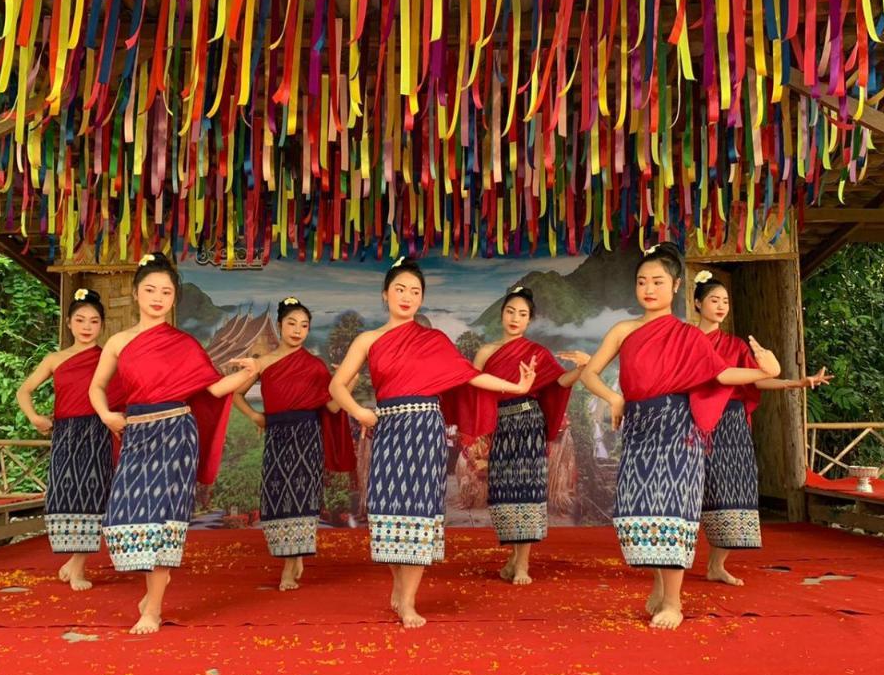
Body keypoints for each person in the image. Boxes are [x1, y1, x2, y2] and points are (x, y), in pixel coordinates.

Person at [579, 243, 781, 630]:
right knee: (642, 510)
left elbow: (720, 375)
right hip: (640, 426)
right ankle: (658, 586)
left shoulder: (689, 335)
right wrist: (613, 396)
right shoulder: (624, 329)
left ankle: (673, 601)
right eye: (642, 281)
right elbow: (591, 372)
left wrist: (764, 372)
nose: (648, 289)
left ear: (674, 287)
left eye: (657, 281)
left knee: (672, 508)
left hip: (678, 426)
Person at [328, 257, 537, 629]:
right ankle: (398, 585)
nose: (407, 297)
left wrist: (517, 387)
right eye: (400, 289)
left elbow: (470, 377)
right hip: (389, 430)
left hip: (425, 429)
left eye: (415, 291)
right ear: (385, 294)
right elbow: (336, 386)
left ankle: (408, 601)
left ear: (422, 299)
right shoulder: (368, 340)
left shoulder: (433, 340)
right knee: (388, 512)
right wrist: (360, 412)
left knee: (420, 513)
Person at [89, 253, 258, 635]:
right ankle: (151, 595)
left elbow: (213, 389)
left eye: (166, 291)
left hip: (177, 435)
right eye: (150, 289)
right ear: (136, 294)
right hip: (136, 433)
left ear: (173, 298)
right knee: (126, 515)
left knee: (165, 519)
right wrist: (105, 415)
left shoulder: (184, 344)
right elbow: (97, 387)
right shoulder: (118, 341)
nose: (157, 297)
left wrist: (250, 372)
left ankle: (154, 608)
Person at [692, 271, 832, 586]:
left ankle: (717, 565)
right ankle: (670, 567)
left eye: (725, 301)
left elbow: (760, 378)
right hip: (691, 420)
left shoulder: (735, 344)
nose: (721, 306)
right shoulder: (686, 341)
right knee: (686, 492)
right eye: (714, 300)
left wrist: (798, 382)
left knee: (730, 491)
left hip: (730, 423)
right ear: (698, 303)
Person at [233, 296, 357, 591]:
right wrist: (255, 416)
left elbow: (333, 407)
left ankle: (289, 568)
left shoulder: (314, 366)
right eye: (291, 323)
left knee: (301, 498)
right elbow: (236, 394)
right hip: (276, 436)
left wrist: (348, 379)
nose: (298, 330)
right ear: (279, 326)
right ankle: (293, 556)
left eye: (304, 325)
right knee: (276, 499)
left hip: (307, 437)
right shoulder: (262, 363)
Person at [472, 285, 589, 585]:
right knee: (504, 492)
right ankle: (513, 557)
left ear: (529, 320)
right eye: (510, 311)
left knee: (526, 490)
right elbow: (473, 386)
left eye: (522, 314)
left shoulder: (536, 353)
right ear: (501, 314)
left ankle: (522, 564)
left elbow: (559, 382)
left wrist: (582, 368)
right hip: (501, 428)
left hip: (528, 425)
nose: (515, 318)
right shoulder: (486, 351)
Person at [16, 289, 122, 591]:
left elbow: (126, 391)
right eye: (80, 320)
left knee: (95, 497)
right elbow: (23, 391)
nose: (87, 327)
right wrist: (35, 417)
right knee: (66, 496)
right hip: (65, 433)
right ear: (69, 323)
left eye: (93, 321)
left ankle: (77, 567)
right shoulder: (55, 359)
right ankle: (73, 562)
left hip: (98, 432)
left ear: (102, 325)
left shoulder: (108, 358)